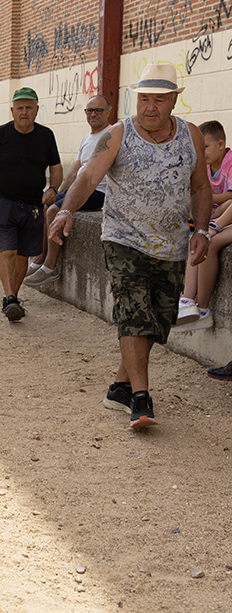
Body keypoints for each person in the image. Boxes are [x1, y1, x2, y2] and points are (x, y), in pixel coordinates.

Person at [48, 63, 210, 427]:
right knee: (134, 312)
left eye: (159, 100)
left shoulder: (192, 135)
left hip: (171, 244)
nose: (150, 106)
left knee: (157, 321)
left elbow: (200, 186)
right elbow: (89, 175)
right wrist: (65, 210)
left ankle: (120, 387)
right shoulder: (119, 134)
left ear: (173, 102)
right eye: (144, 99)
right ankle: (141, 398)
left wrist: (202, 231)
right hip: (123, 238)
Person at [0, 87, 62, 322]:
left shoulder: (46, 135)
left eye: (29, 107)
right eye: (20, 107)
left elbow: (56, 167)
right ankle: (10, 298)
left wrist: (53, 189)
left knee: (23, 256)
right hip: (3, 201)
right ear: (12, 110)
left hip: (32, 205)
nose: (24, 112)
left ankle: (13, 298)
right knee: (8, 252)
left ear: (37, 110)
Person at [24, 95, 113, 288]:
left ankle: (50, 267)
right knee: (46, 203)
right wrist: (57, 192)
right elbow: (75, 172)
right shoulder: (86, 139)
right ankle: (39, 257)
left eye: (99, 110)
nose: (93, 114)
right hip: (81, 189)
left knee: (54, 211)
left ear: (109, 112)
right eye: (90, 110)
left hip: (98, 192)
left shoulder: (112, 135)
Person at [172, 120, 232, 332]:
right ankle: (189, 302)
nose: (201, 152)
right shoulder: (205, 166)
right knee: (202, 240)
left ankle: (203, 308)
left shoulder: (230, 162)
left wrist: (213, 220)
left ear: (221, 144)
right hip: (220, 215)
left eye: (205, 146)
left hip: (224, 216)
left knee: (208, 237)